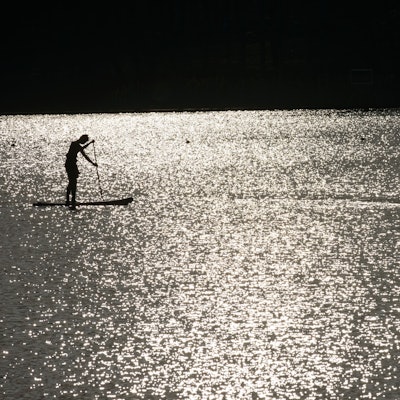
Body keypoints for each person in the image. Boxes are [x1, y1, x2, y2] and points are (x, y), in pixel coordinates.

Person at [65, 134, 97, 209]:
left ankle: (69, 201)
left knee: (72, 182)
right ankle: (71, 201)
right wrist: (92, 163)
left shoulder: (76, 145)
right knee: (73, 183)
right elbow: (82, 150)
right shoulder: (74, 144)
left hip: (72, 165)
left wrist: (89, 143)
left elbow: (82, 150)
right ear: (82, 139)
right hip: (70, 165)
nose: (84, 142)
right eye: (85, 141)